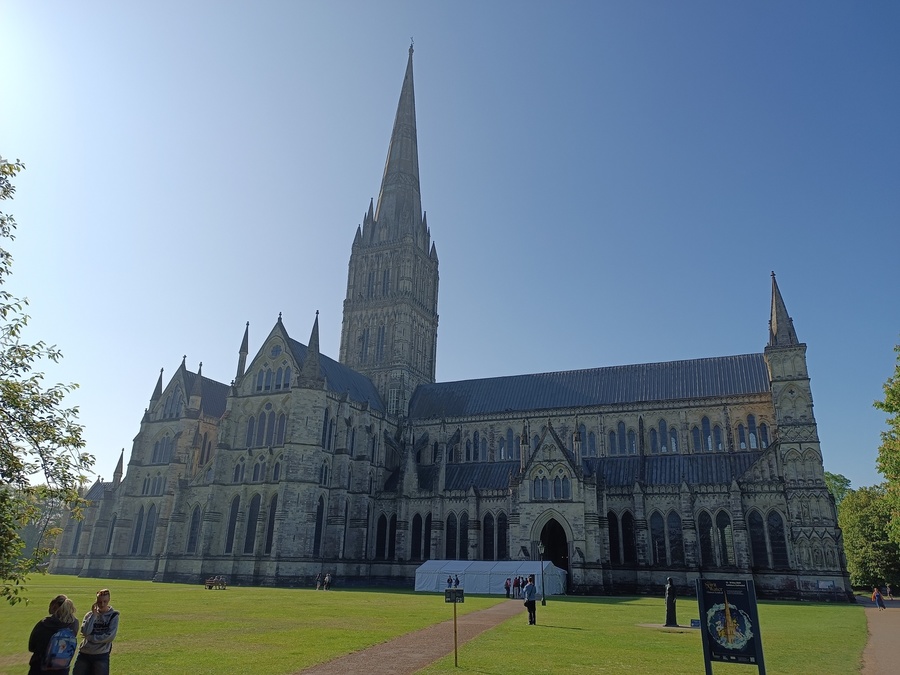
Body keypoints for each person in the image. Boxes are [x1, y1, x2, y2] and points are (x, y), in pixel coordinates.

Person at [73, 589, 120, 675]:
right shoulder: (89, 615)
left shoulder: (113, 616)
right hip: (84, 654)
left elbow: (109, 637)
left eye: (105, 601)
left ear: (109, 600)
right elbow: (85, 632)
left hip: (101, 655)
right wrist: (94, 615)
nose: (102, 604)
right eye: (99, 602)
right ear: (96, 601)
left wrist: (90, 638)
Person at [29, 595, 79, 675]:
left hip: (40, 667)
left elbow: (31, 647)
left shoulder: (44, 623)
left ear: (54, 607)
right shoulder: (74, 624)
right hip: (62, 667)